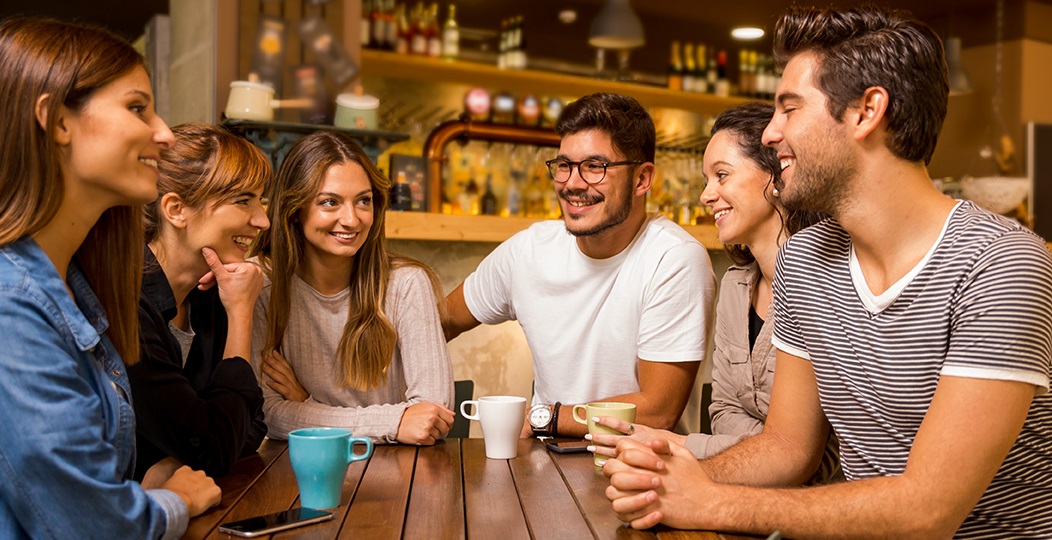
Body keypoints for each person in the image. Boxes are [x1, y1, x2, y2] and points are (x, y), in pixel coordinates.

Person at [603, 6, 1052, 538]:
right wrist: (668, 481)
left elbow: (928, 511)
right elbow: (787, 449)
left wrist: (712, 503)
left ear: (866, 111)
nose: (770, 134)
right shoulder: (809, 258)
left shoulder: (1001, 263)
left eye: (789, 109)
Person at [0, 18, 221, 539]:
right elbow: (91, 527)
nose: (164, 133)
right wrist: (173, 502)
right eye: (136, 107)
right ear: (57, 121)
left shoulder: (69, 285)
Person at [587, 102, 838, 483]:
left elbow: (815, 461)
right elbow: (721, 412)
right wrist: (765, 446)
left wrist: (679, 445)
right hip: (741, 492)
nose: (706, 195)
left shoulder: (824, 285)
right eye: (707, 179)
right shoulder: (737, 287)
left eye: (721, 175)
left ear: (776, 175)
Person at [444, 93, 716, 439]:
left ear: (642, 179)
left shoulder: (674, 259)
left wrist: (543, 418)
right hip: (540, 466)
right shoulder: (529, 249)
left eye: (594, 166)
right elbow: (442, 319)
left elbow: (657, 410)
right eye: (564, 165)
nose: (572, 183)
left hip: (637, 473)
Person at [250, 131, 454, 445]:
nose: (351, 219)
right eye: (329, 202)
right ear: (295, 208)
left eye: (363, 201)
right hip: (304, 476)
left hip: (403, 475)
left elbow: (432, 415)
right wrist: (393, 421)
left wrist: (306, 406)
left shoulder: (406, 284)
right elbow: (267, 414)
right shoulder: (263, 286)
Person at [127, 123, 271, 480]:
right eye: (243, 200)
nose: (263, 221)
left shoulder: (207, 296)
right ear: (176, 209)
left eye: (261, 201)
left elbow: (251, 426)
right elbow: (214, 446)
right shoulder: (128, 306)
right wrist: (240, 313)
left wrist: (174, 463)